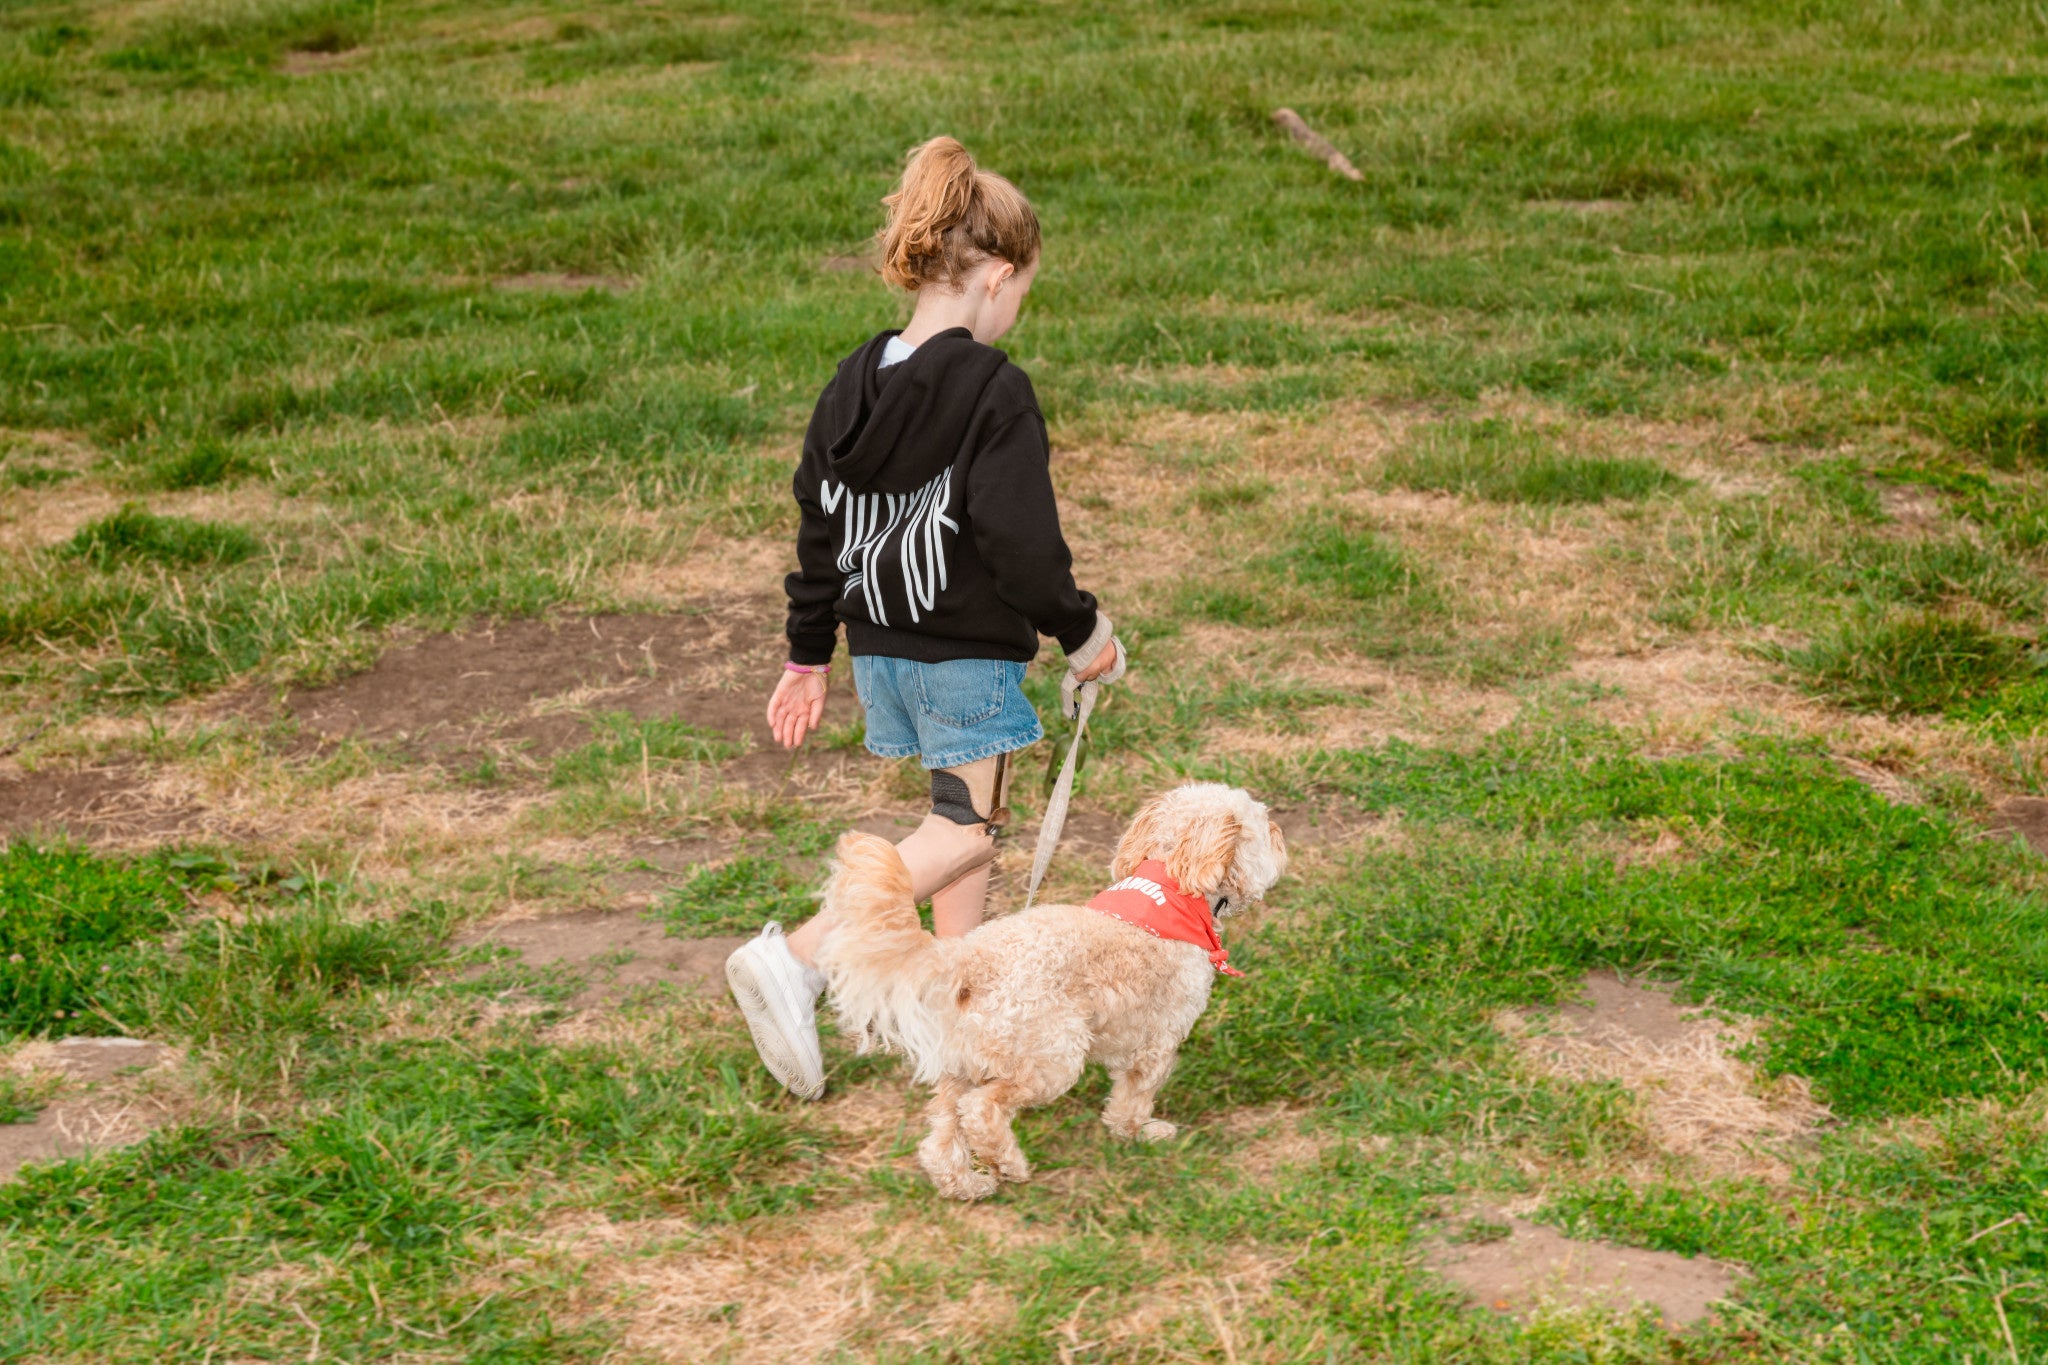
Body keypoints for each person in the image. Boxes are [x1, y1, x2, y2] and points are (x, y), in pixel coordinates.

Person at [723, 135, 1124, 1101]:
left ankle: (960, 1017)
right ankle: (802, 957)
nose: (1017, 311)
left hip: (886, 653)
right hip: (959, 655)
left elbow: (820, 527)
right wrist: (1085, 632)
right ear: (993, 275)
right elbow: (1022, 546)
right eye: (1023, 289)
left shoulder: (852, 383)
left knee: (961, 821)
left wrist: (807, 654)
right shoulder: (993, 390)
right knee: (966, 831)